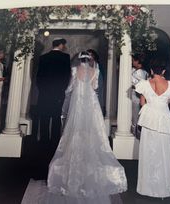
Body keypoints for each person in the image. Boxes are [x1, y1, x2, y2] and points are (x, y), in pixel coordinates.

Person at [47, 51, 127, 200]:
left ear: (79, 60)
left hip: (77, 101)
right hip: (91, 102)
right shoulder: (95, 70)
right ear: (90, 60)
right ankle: (90, 156)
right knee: (93, 129)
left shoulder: (75, 70)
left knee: (75, 128)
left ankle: (75, 157)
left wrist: (66, 102)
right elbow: (96, 87)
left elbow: (70, 88)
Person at [135, 58, 170, 198]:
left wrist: (149, 112)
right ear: (163, 71)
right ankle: (164, 188)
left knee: (148, 152)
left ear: (150, 71)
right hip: (165, 120)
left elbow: (142, 103)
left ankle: (147, 189)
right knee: (165, 153)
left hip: (149, 119)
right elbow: (169, 101)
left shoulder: (144, 84)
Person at [36, 38, 71, 148]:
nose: (64, 47)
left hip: (44, 92)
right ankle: (55, 141)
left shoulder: (43, 57)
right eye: (63, 45)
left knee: (44, 116)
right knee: (56, 117)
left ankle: (43, 141)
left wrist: (42, 90)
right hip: (58, 92)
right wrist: (62, 90)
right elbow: (66, 77)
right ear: (60, 45)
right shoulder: (65, 57)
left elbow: (39, 77)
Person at [131, 53, 148, 137]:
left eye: (133, 60)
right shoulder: (140, 71)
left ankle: (135, 134)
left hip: (136, 96)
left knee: (135, 116)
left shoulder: (140, 72)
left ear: (137, 61)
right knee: (135, 116)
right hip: (135, 95)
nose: (132, 62)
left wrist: (132, 85)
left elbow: (140, 84)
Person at [87, 49, 105, 114]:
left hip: (97, 87)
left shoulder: (98, 65)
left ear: (94, 56)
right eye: (88, 55)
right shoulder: (85, 64)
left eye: (91, 55)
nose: (89, 56)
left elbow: (102, 77)